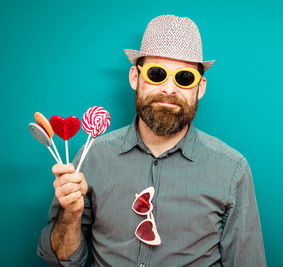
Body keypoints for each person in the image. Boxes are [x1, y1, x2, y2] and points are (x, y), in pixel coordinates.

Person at [37, 14, 267, 266]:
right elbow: (59, 259)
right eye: (156, 74)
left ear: (200, 88)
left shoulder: (231, 169)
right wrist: (70, 215)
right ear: (135, 77)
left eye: (184, 77)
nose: (169, 89)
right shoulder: (92, 156)